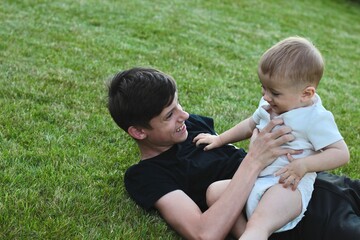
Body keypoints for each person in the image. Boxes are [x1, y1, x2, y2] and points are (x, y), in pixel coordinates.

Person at [107, 67, 360, 239]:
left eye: (178, 104)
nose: (183, 116)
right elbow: (203, 233)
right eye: (169, 115)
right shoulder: (147, 175)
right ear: (139, 132)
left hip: (323, 183)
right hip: (299, 216)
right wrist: (254, 159)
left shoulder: (190, 126)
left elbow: (251, 126)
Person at [193, 36, 349, 239]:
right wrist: (220, 139)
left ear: (306, 93)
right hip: (257, 179)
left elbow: (341, 153)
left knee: (259, 223)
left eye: (274, 92)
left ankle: (255, 233)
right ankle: (246, 234)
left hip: (287, 186)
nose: (266, 96)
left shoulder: (315, 118)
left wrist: (305, 165)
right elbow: (251, 124)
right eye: (263, 87)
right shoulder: (269, 104)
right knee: (214, 192)